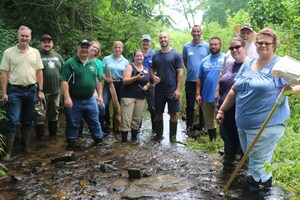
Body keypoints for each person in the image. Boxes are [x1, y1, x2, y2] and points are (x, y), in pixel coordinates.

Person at [216, 28, 293, 190]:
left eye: (267, 43)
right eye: (260, 42)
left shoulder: (280, 65)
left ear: (274, 46)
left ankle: (260, 191)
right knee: (253, 161)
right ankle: (257, 187)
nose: (263, 45)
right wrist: (222, 110)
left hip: (267, 125)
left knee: (259, 164)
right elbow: (234, 90)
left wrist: (290, 90)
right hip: (244, 125)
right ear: (255, 43)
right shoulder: (248, 63)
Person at [1, 25, 44, 160]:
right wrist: (4, 93)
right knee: (13, 120)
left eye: (27, 36)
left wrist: (40, 90)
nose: (24, 38)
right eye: (22, 35)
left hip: (31, 90)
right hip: (14, 90)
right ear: (17, 36)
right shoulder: (9, 52)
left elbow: (39, 72)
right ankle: (8, 152)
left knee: (27, 120)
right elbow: (4, 73)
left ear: (30, 38)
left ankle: (26, 148)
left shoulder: (35, 52)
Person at [60, 39, 104, 150]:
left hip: (90, 99)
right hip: (74, 99)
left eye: (86, 47)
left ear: (89, 49)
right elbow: (64, 81)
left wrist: (100, 95)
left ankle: (99, 142)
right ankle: (71, 143)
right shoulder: (70, 63)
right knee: (73, 123)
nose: (84, 50)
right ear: (78, 48)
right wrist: (67, 98)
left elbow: (98, 81)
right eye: (82, 47)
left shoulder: (93, 64)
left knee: (95, 121)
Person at [217, 38, 248, 166]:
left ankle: (241, 179)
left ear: (244, 48)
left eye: (237, 47)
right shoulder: (229, 64)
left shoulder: (251, 65)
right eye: (231, 48)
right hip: (224, 112)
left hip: (240, 113)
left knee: (242, 148)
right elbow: (222, 82)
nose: (234, 50)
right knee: (228, 144)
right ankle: (226, 176)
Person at [150, 32, 184, 142]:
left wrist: (178, 89)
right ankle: (159, 135)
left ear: (169, 38)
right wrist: (153, 76)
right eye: (160, 38)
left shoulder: (175, 55)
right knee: (158, 113)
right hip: (159, 90)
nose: (163, 39)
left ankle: (173, 137)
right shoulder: (156, 55)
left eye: (165, 37)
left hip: (172, 89)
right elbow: (152, 69)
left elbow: (180, 73)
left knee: (173, 113)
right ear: (159, 40)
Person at [34, 34, 63, 140]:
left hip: (55, 91)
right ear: (40, 43)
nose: (47, 44)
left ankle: (53, 138)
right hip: (40, 92)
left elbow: (63, 72)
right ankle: (40, 139)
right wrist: (38, 90)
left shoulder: (58, 56)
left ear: (52, 43)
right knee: (39, 115)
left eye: (49, 42)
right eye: (44, 42)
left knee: (54, 113)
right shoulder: (36, 55)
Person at [195, 36, 225, 141]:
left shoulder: (226, 59)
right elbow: (199, 78)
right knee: (209, 120)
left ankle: (225, 142)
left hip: (221, 96)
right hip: (206, 95)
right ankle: (213, 140)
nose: (213, 46)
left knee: (223, 119)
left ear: (220, 45)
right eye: (211, 44)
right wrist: (198, 94)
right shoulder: (204, 61)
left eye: (216, 44)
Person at [182, 25, 210, 136]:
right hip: (190, 80)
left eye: (198, 31)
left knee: (202, 104)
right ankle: (189, 125)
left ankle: (202, 126)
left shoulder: (207, 46)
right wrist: (191, 69)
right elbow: (185, 61)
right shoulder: (186, 46)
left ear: (201, 32)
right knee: (190, 104)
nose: (196, 33)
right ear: (191, 33)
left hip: (204, 81)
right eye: (194, 31)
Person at [119, 50, 150, 142]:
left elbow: (147, 81)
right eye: (137, 56)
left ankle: (134, 140)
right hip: (128, 96)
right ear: (134, 57)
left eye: (141, 56)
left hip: (140, 97)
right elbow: (125, 80)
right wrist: (136, 77)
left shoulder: (145, 69)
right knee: (126, 119)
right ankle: (124, 141)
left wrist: (147, 86)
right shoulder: (130, 67)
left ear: (143, 57)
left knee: (137, 119)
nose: (139, 57)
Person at [78, 41, 106, 137]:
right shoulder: (79, 59)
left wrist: (99, 95)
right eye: (94, 47)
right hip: (80, 90)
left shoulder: (98, 62)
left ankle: (98, 127)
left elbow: (99, 78)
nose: (95, 49)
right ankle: (79, 131)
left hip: (94, 88)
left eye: (97, 48)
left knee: (101, 106)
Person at [102, 41, 129, 133]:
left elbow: (127, 75)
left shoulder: (125, 61)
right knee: (104, 104)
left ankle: (116, 126)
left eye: (119, 47)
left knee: (117, 106)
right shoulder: (106, 59)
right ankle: (106, 121)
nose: (117, 49)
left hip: (120, 84)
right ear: (113, 48)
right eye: (115, 47)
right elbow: (100, 72)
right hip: (108, 83)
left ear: (122, 49)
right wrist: (106, 79)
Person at [141, 34, 156, 133]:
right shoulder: (138, 54)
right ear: (142, 42)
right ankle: (136, 129)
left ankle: (155, 129)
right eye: (144, 41)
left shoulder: (154, 55)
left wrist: (152, 81)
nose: (146, 43)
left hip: (151, 84)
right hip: (139, 84)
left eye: (147, 41)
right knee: (138, 107)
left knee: (152, 107)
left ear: (150, 43)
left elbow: (157, 69)